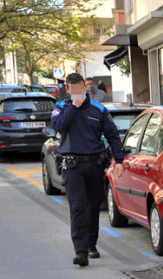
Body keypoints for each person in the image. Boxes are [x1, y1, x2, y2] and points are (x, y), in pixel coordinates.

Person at [51, 73, 124, 266]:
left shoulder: (99, 109)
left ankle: (91, 245)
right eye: (73, 88)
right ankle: (80, 251)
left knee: (93, 207)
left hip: (94, 164)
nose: (78, 91)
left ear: (86, 87)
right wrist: (74, 107)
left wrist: (119, 160)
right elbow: (59, 126)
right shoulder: (61, 108)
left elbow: (113, 135)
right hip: (72, 165)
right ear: (67, 90)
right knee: (77, 207)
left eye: (81, 87)